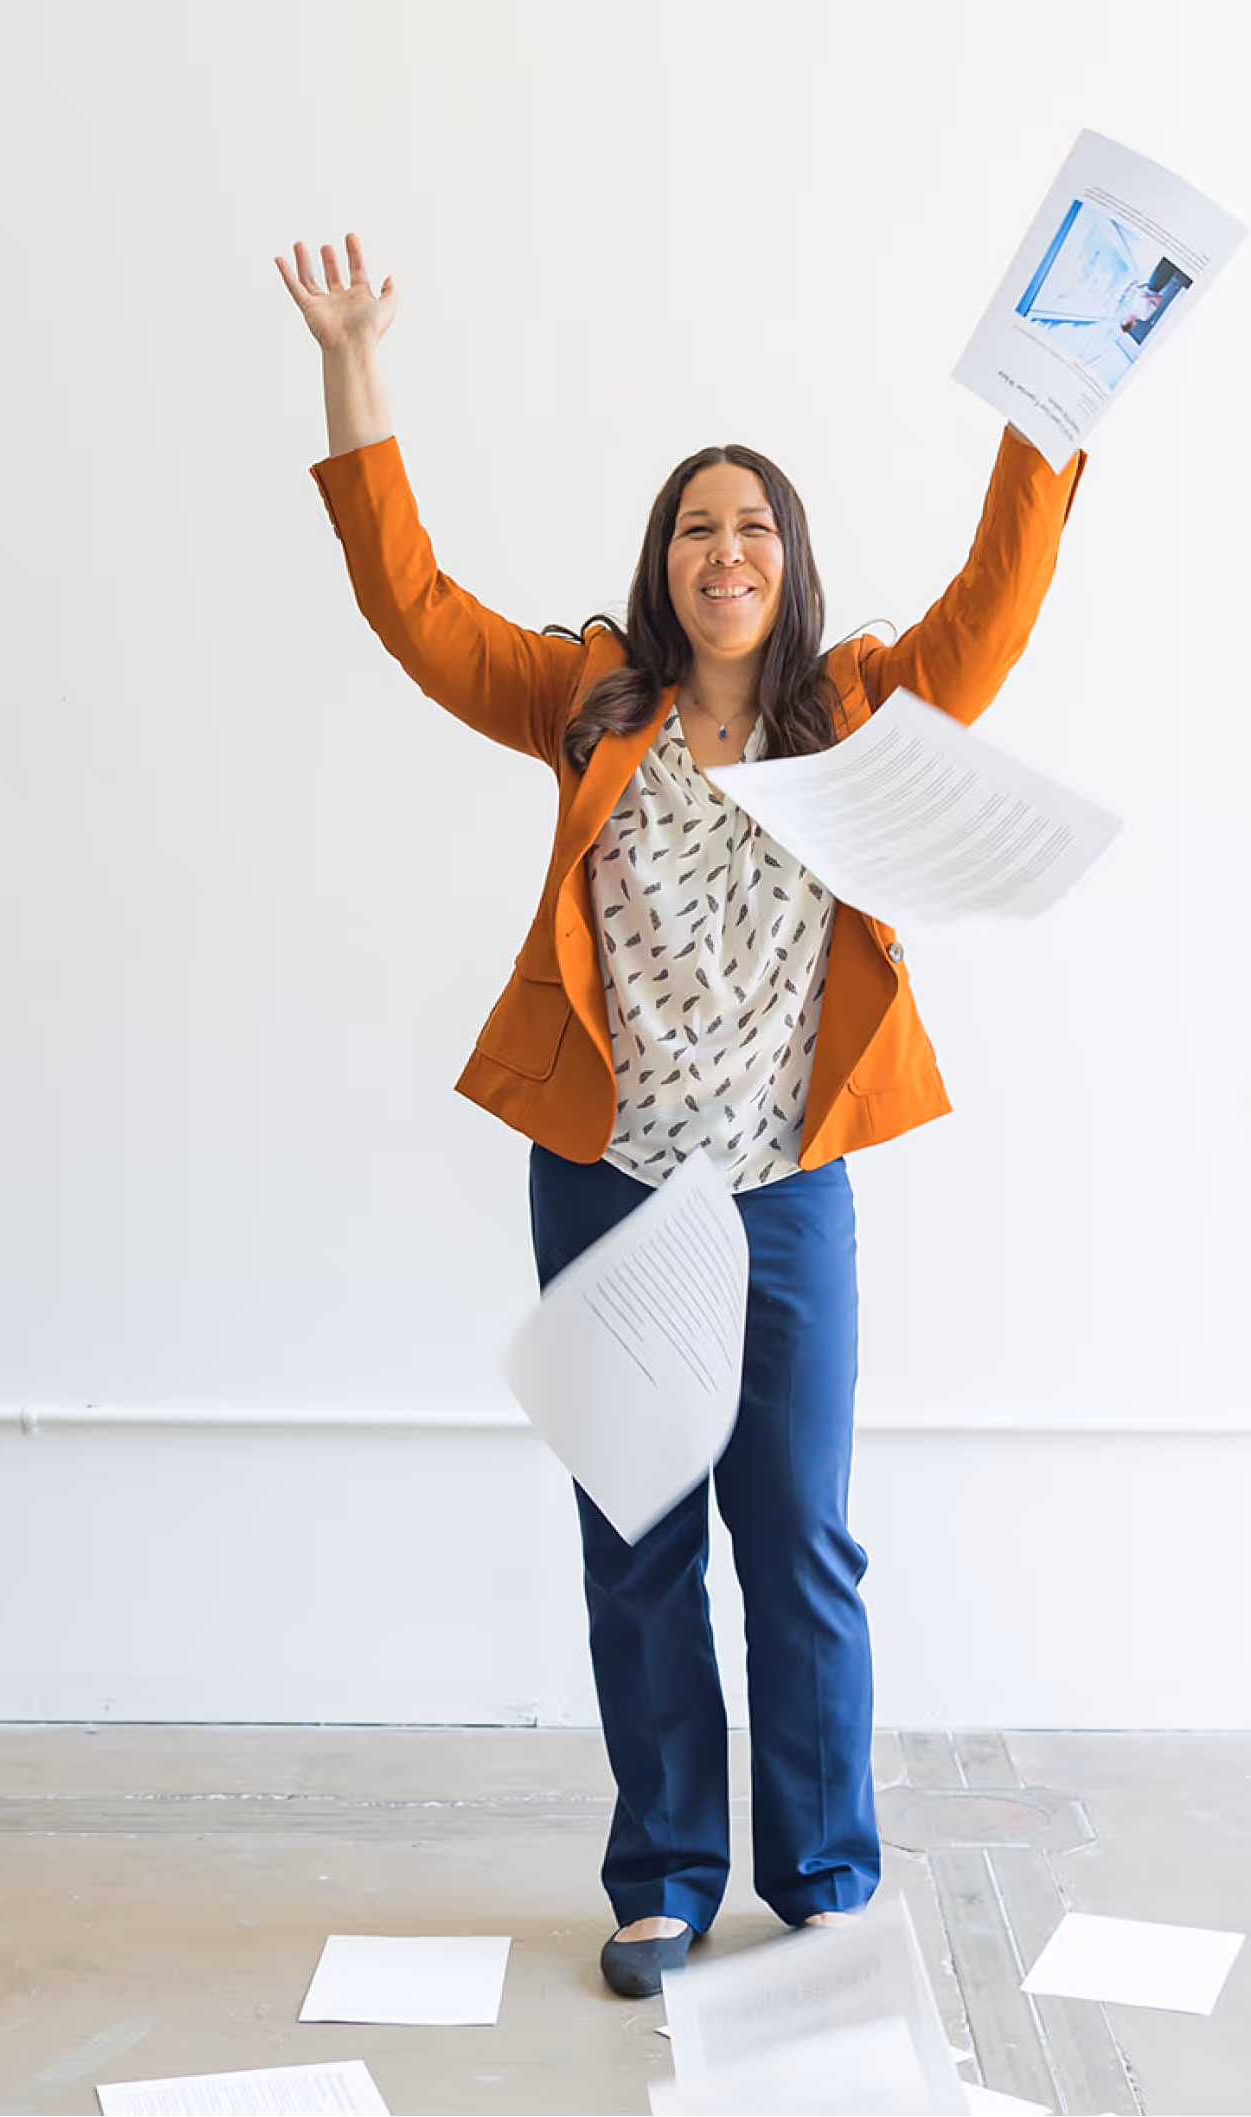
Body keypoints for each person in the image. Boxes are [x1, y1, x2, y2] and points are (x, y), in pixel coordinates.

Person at [275, 232, 1085, 1998]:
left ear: (789, 566)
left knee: (792, 1534)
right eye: (696, 525)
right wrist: (352, 362)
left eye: (756, 525)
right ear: (661, 564)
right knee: (636, 1540)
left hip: (787, 1186)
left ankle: (821, 1880)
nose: (726, 550)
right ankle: (660, 1881)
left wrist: (1053, 408)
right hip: (609, 1180)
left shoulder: (862, 708)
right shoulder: (588, 703)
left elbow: (998, 600)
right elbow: (408, 599)